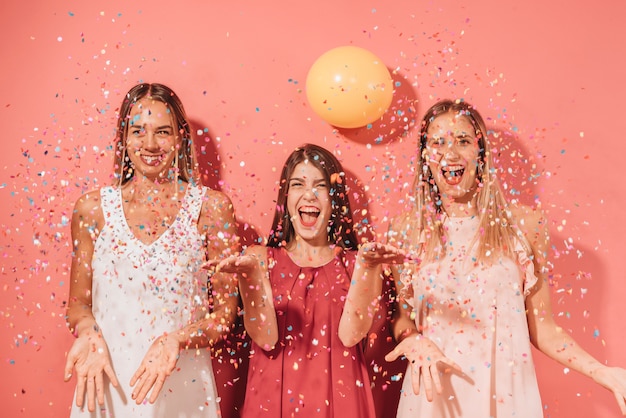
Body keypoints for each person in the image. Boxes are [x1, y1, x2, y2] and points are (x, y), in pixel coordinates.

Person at [381, 99, 626, 417]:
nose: (451, 153)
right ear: (425, 158)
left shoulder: (524, 225)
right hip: (433, 399)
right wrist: (412, 339)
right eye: (438, 142)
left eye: (463, 141)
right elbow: (403, 316)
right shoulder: (406, 230)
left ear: (480, 154)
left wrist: (603, 373)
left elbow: (544, 328)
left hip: (507, 399)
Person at [63, 82, 239, 417]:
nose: (150, 144)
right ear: (124, 138)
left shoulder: (212, 209)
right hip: (106, 385)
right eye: (138, 131)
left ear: (180, 139)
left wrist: (176, 340)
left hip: (182, 389)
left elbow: (223, 317)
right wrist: (87, 334)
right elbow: (78, 306)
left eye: (162, 132)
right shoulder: (92, 209)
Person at [207, 143, 401, 417]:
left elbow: (351, 335)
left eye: (320, 186)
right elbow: (265, 338)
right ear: (285, 198)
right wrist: (250, 277)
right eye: (298, 184)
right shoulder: (259, 259)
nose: (308, 195)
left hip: (341, 405)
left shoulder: (359, 263)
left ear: (335, 200)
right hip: (271, 404)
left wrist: (367, 267)